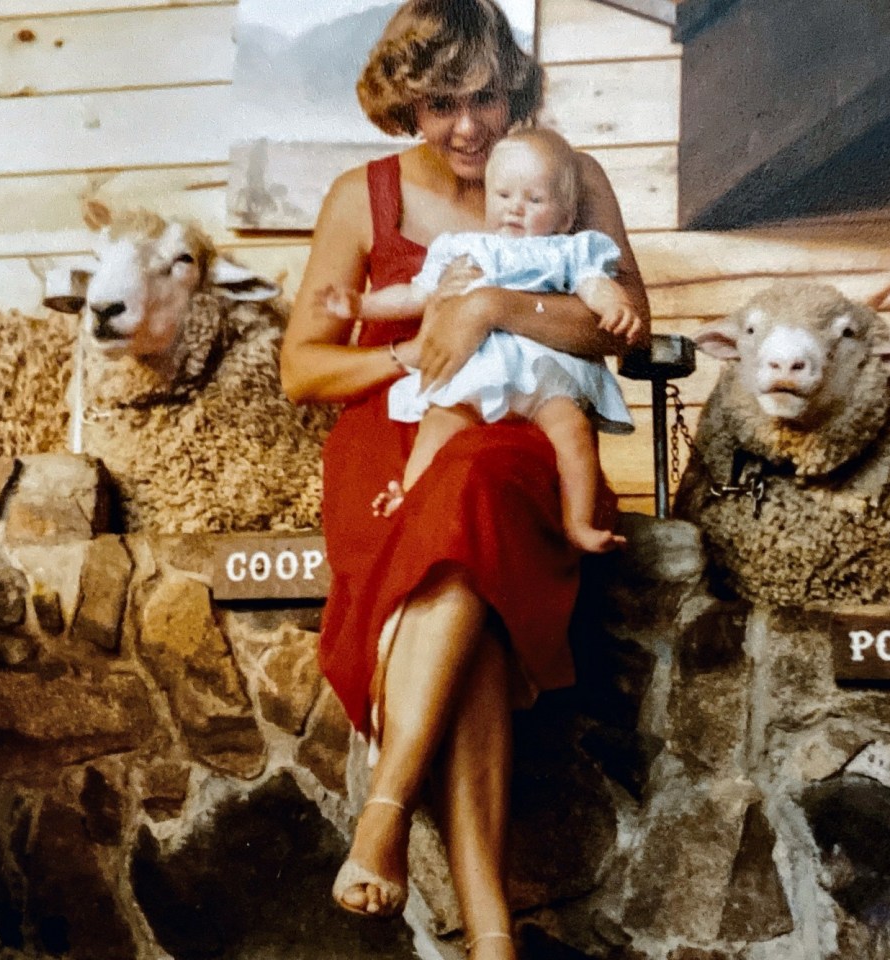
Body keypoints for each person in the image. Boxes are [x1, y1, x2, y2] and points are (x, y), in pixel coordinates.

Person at [277, 1, 650, 957]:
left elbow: (624, 325)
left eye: (484, 97)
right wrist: (413, 352)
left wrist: (488, 307)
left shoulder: (573, 176)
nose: (469, 126)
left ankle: (385, 814)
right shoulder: (362, 197)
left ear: (512, 88)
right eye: (441, 104)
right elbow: (303, 369)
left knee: (476, 495)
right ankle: (491, 932)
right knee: (464, 590)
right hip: (396, 441)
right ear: (406, 104)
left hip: (524, 435)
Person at [322, 127, 644, 553]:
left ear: (565, 218)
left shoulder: (566, 251)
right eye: (503, 195)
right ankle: (409, 495)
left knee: (572, 430)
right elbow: (416, 295)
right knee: (440, 421)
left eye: (534, 200)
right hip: (477, 370)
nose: (515, 208)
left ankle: (578, 522)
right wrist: (362, 305)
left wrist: (615, 304)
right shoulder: (465, 249)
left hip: (545, 375)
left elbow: (594, 285)